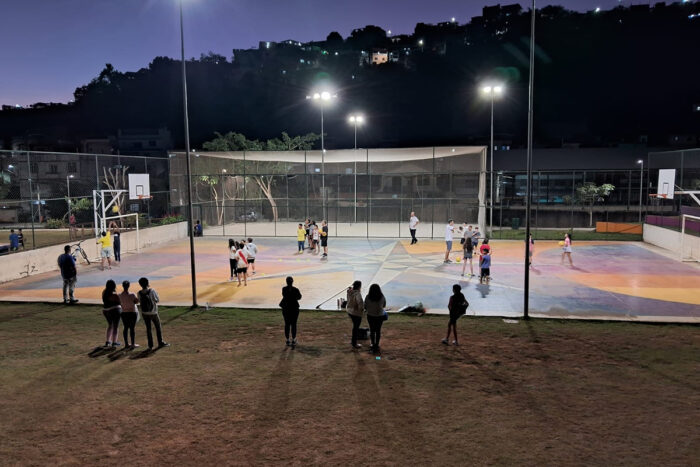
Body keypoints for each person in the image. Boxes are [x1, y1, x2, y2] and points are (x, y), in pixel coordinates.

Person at [137, 277, 169, 350]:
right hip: (153, 312)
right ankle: (160, 342)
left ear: (140, 284)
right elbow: (157, 300)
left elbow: (139, 301)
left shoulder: (139, 293)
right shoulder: (152, 291)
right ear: (147, 283)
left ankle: (150, 345)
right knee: (158, 327)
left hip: (145, 313)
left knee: (148, 329)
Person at [364, 284, 387, 354]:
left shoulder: (367, 297)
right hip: (380, 316)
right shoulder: (382, 297)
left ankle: (372, 344)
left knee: (372, 330)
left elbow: (365, 307)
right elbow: (384, 305)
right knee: (378, 330)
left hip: (370, 315)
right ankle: (377, 344)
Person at [280, 276, 302, 347]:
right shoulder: (295, 289)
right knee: (293, 324)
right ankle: (293, 339)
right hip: (294, 308)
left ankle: (287, 340)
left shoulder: (284, 289)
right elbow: (299, 297)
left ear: (286, 282)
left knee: (287, 324)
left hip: (285, 308)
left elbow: (283, 295)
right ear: (292, 282)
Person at [119, 280, 140, 349]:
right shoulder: (132, 295)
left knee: (125, 328)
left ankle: (126, 344)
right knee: (132, 328)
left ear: (123, 286)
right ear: (129, 286)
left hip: (124, 313)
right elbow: (136, 301)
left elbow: (119, 303)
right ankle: (133, 343)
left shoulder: (119, 295)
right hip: (132, 313)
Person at [101, 279, 122, 348]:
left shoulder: (104, 292)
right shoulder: (114, 294)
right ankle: (114, 342)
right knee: (115, 327)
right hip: (114, 310)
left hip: (105, 310)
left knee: (110, 325)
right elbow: (120, 302)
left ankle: (108, 341)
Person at [346, 280, 364, 349]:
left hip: (349, 311)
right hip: (355, 313)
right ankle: (354, 343)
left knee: (355, 327)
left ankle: (353, 341)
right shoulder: (358, 294)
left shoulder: (349, 292)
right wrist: (361, 310)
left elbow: (349, 299)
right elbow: (360, 303)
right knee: (356, 328)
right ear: (359, 286)